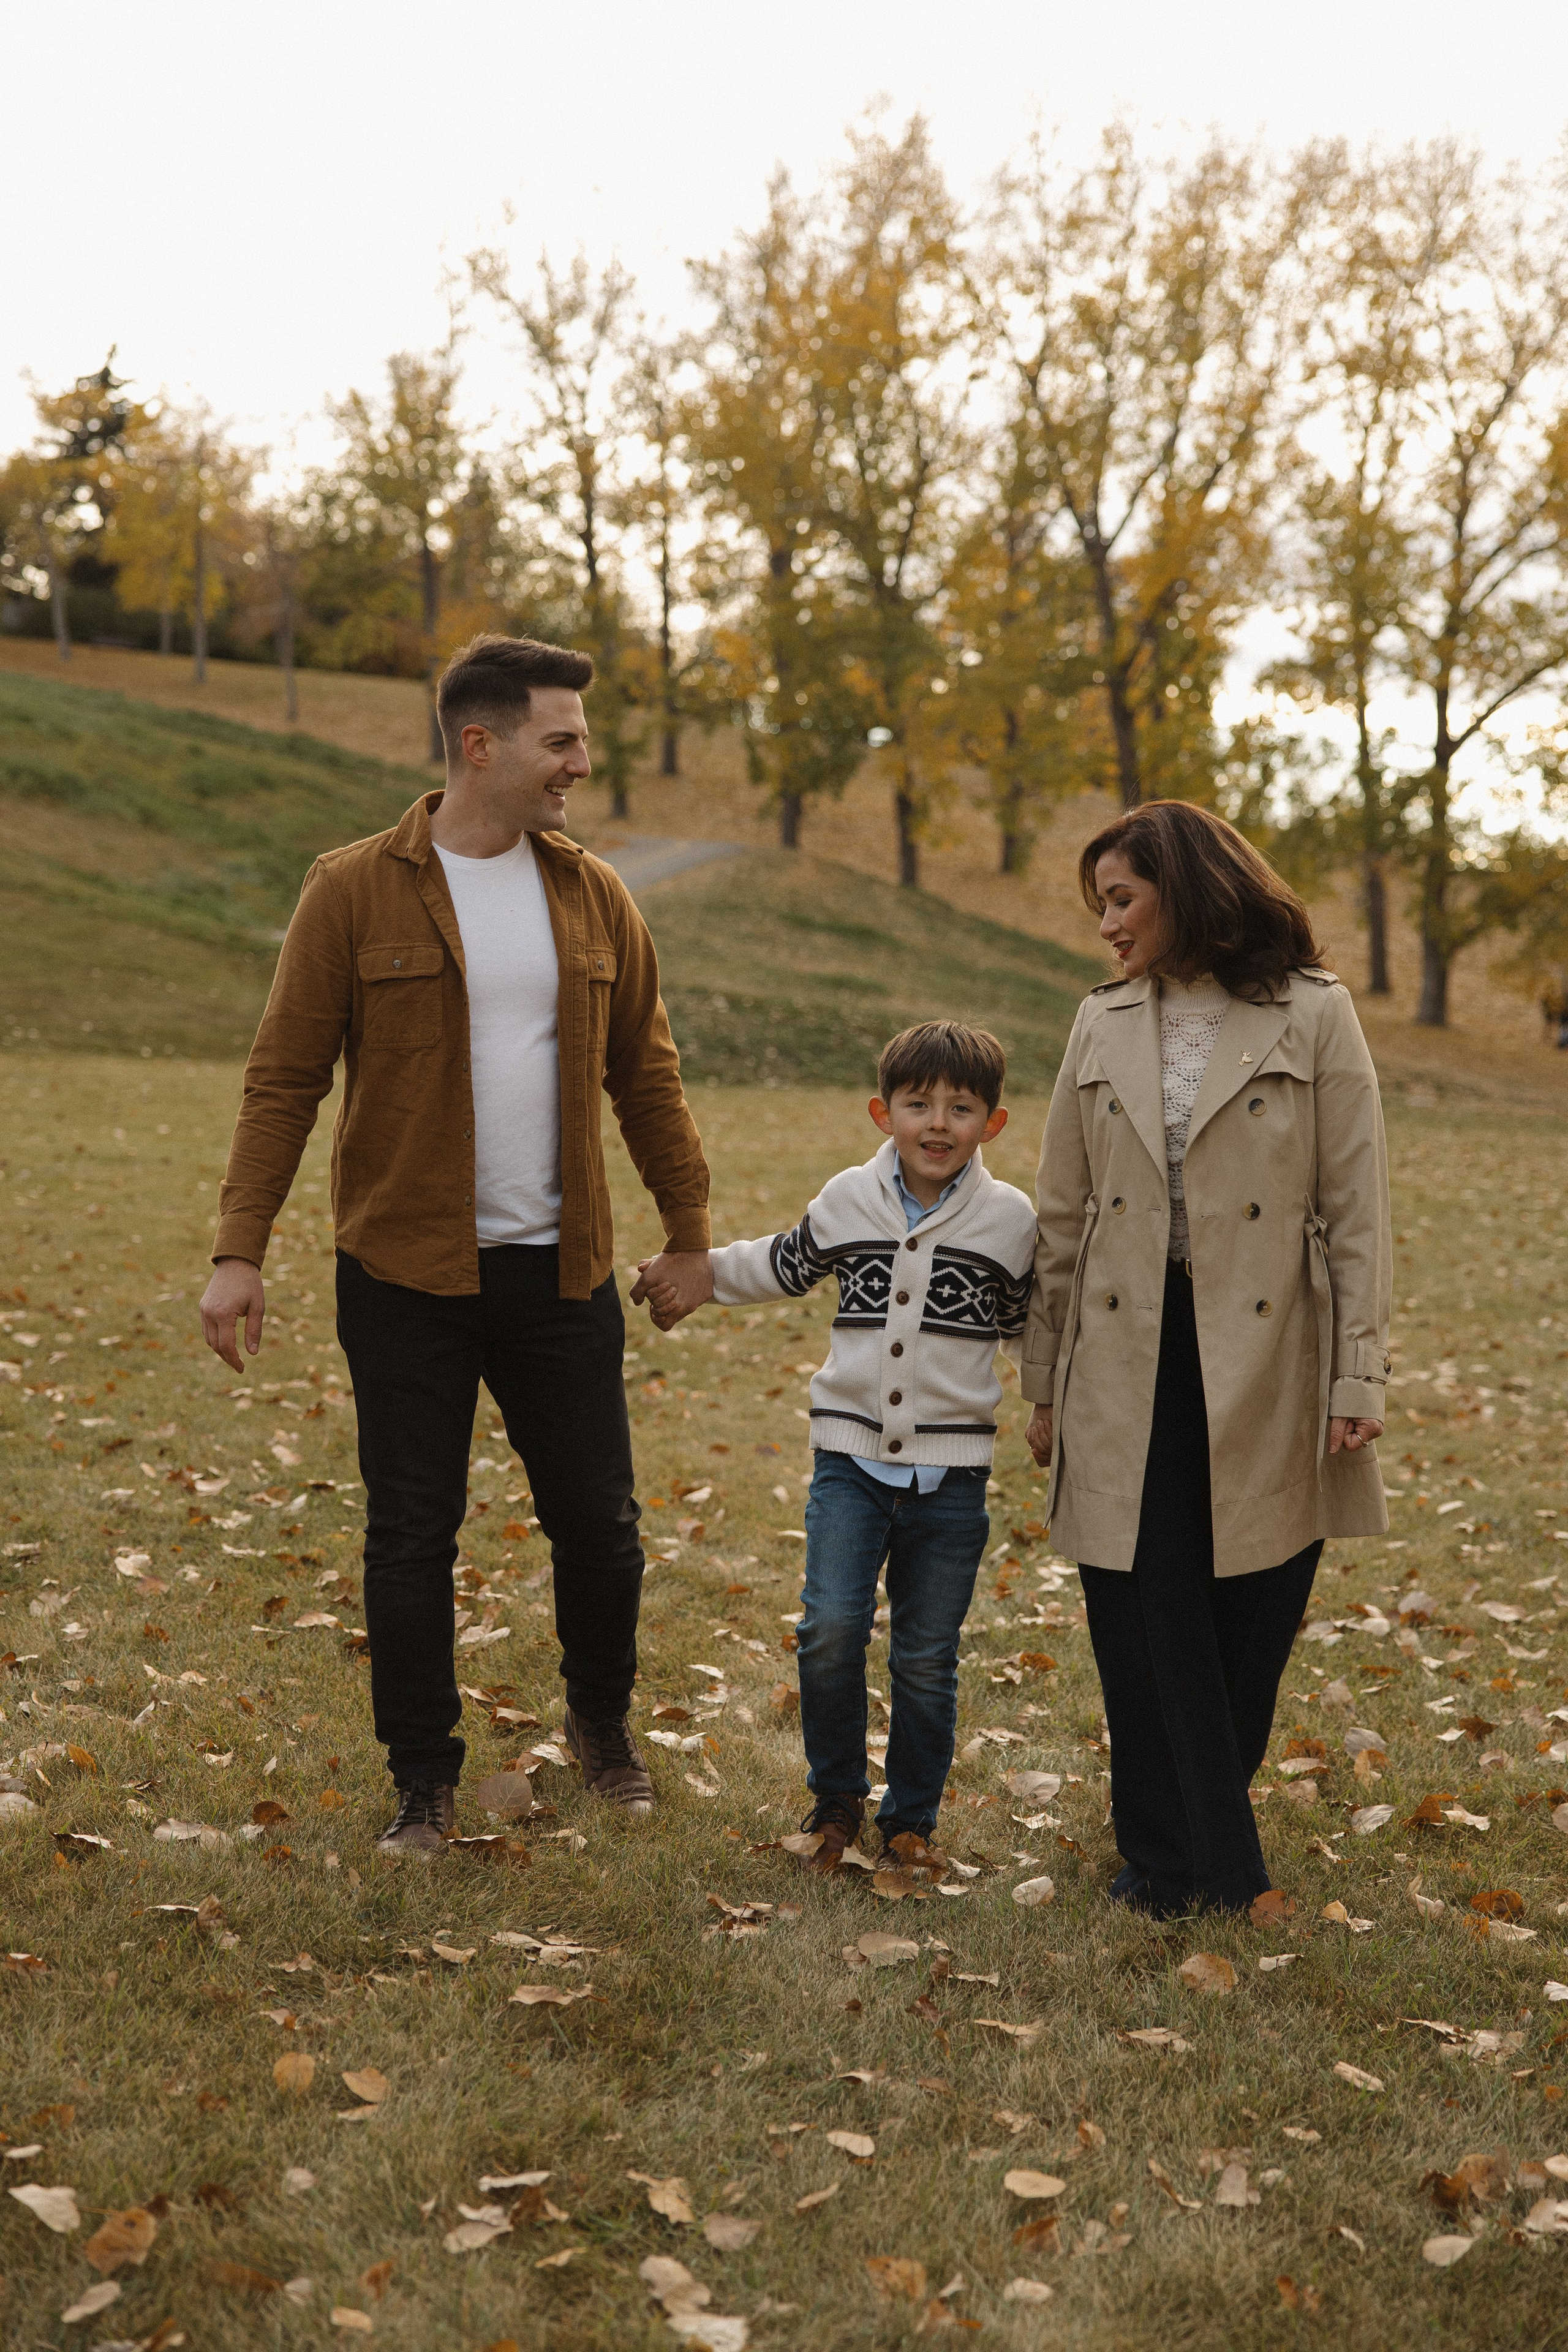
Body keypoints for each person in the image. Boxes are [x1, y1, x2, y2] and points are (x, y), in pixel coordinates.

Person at [198, 633, 711, 1853]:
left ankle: (599, 1727)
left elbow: (647, 1075)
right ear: (480, 746)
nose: (580, 763)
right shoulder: (352, 888)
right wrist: (238, 1249)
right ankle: (422, 1779)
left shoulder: (594, 895)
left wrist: (689, 1234)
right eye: (562, 740)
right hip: (402, 1275)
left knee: (600, 1524)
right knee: (410, 1531)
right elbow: (284, 1077)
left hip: (562, 1270)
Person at [1021, 802, 1390, 1917]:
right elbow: (1062, 1212)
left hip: (1269, 1346)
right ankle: (1195, 1865)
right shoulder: (1100, 1023)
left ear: (1186, 889)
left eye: (1122, 900)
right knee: (1140, 1600)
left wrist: (1358, 1373)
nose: (1107, 927)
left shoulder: (1314, 1015)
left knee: (1258, 1601)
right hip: (1124, 1352)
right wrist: (1042, 1380)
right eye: (1099, 906)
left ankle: (1175, 1844)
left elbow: (1357, 1205)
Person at [633, 1022, 1036, 1872]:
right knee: (830, 1629)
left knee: (927, 1654)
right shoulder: (850, 1198)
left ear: (991, 1124)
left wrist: (1050, 1407)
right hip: (850, 1463)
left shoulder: (1009, 1224)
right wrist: (701, 1272)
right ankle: (836, 1801)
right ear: (881, 1112)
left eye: (960, 1109)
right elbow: (785, 1262)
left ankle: (910, 1817)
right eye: (917, 1104)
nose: (938, 1123)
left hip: (951, 1479)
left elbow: (1037, 1331)